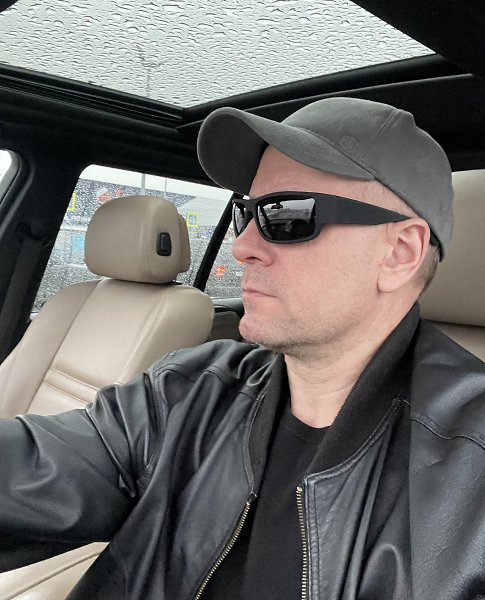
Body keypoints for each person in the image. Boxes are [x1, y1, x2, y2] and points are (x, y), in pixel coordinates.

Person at [1, 97, 485, 600]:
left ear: (400, 253)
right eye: (246, 213)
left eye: (285, 214)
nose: (243, 246)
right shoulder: (191, 390)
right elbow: (33, 468)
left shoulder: (471, 471)